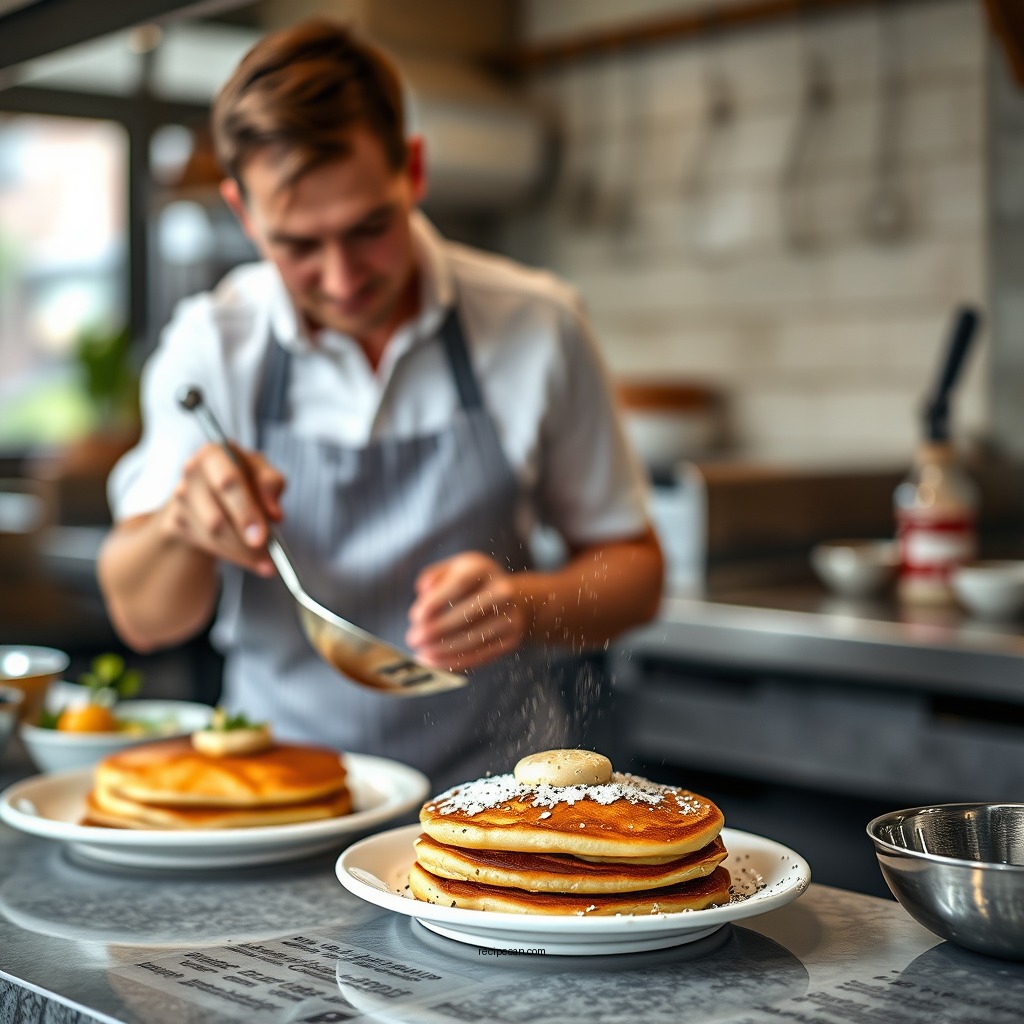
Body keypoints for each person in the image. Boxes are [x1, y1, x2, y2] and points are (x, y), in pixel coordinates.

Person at [97, 18, 664, 789]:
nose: (341, 277)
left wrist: (526, 604)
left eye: (369, 228)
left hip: (500, 802)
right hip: (280, 800)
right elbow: (145, 618)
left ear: (414, 170)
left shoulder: (537, 324)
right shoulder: (212, 345)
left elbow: (636, 573)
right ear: (243, 211)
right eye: (298, 243)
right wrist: (180, 525)